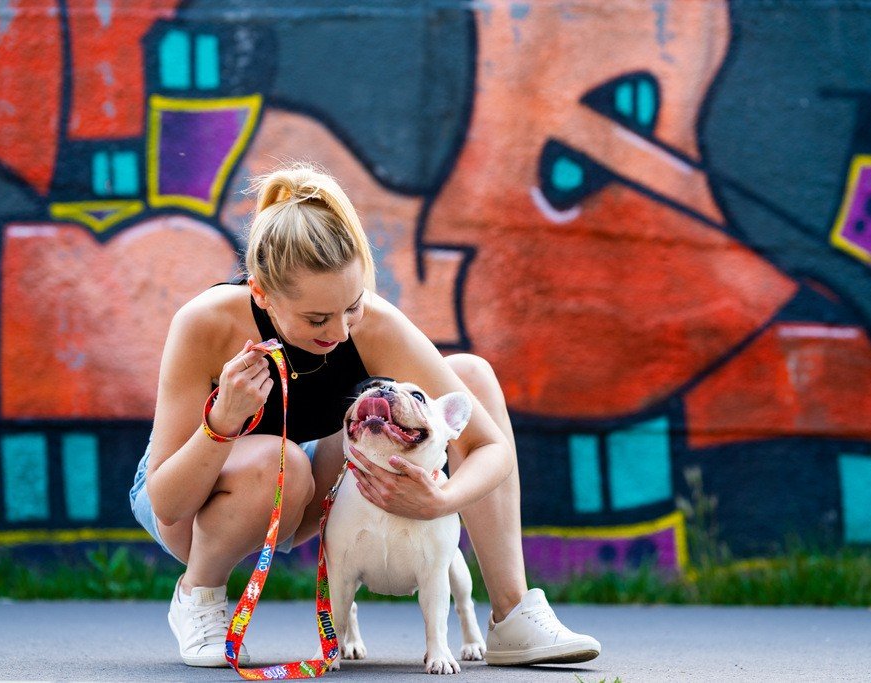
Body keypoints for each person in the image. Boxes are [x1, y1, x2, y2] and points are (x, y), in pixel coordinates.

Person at [128, 163, 601, 667]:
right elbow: (167, 504)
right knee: (278, 459)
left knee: (470, 375)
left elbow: (492, 447)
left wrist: (440, 500)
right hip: (198, 497)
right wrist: (222, 420)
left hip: (309, 478)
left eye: (350, 306)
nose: (339, 331)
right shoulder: (205, 321)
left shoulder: (370, 324)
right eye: (316, 319)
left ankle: (513, 617)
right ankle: (199, 593)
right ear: (262, 292)